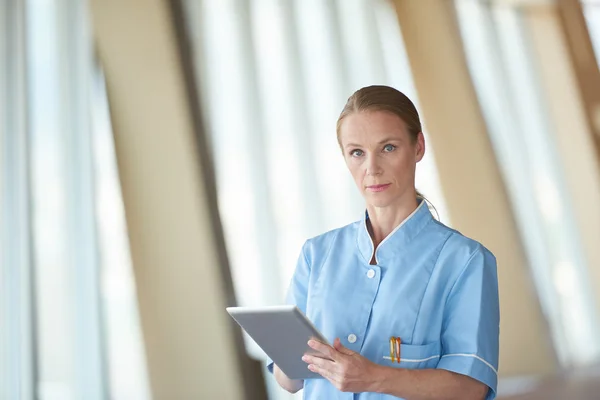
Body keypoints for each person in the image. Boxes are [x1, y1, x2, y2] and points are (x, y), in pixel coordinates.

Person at [269, 85, 499, 400]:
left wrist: (374, 378)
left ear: (418, 146)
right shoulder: (316, 254)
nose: (372, 168)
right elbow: (289, 380)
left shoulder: (465, 261)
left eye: (388, 148)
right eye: (357, 152)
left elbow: (472, 388)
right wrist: (293, 353)